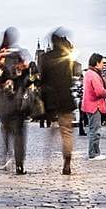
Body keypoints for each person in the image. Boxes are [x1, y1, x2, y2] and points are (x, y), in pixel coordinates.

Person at [39, 29, 77, 174]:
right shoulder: (66, 57)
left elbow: (42, 81)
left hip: (51, 101)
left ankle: (47, 156)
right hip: (65, 99)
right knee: (67, 132)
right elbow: (70, 78)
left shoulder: (45, 58)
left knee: (53, 129)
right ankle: (67, 161)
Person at [0, 46, 35, 174]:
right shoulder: (22, 72)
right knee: (19, 138)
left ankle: (4, 158)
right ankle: (19, 165)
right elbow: (31, 80)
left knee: (5, 134)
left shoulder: (3, 73)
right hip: (18, 109)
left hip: (5, 109)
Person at [82, 53, 106, 160]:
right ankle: (93, 154)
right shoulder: (94, 75)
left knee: (93, 129)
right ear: (97, 63)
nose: (103, 65)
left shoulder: (89, 73)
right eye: (102, 63)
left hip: (89, 105)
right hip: (94, 106)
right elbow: (99, 92)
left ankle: (95, 152)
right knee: (95, 130)